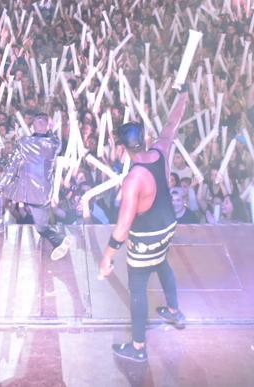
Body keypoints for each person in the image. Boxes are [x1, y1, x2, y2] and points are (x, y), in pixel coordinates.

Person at [100, 84, 191, 362]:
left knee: (137, 287)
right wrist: (183, 95)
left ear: (124, 149)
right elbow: (171, 125)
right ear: (144, 139)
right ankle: (174, 311)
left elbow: (123, 227)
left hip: (147, 237)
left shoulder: (133, 180)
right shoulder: (161, 151)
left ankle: (138, 348)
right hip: (168, 227)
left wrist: (107, 257)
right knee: (162, 264)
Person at [0, 114, 74, 260]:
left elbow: (11, 168)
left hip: (25, 189)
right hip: (45, 193)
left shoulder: (24, 142)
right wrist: (49, 128)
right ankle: (58, 240)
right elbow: (51, 137)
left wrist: (0, 187)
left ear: (32, 126)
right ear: (48, 126)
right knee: (42, 227)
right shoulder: (55, 143)